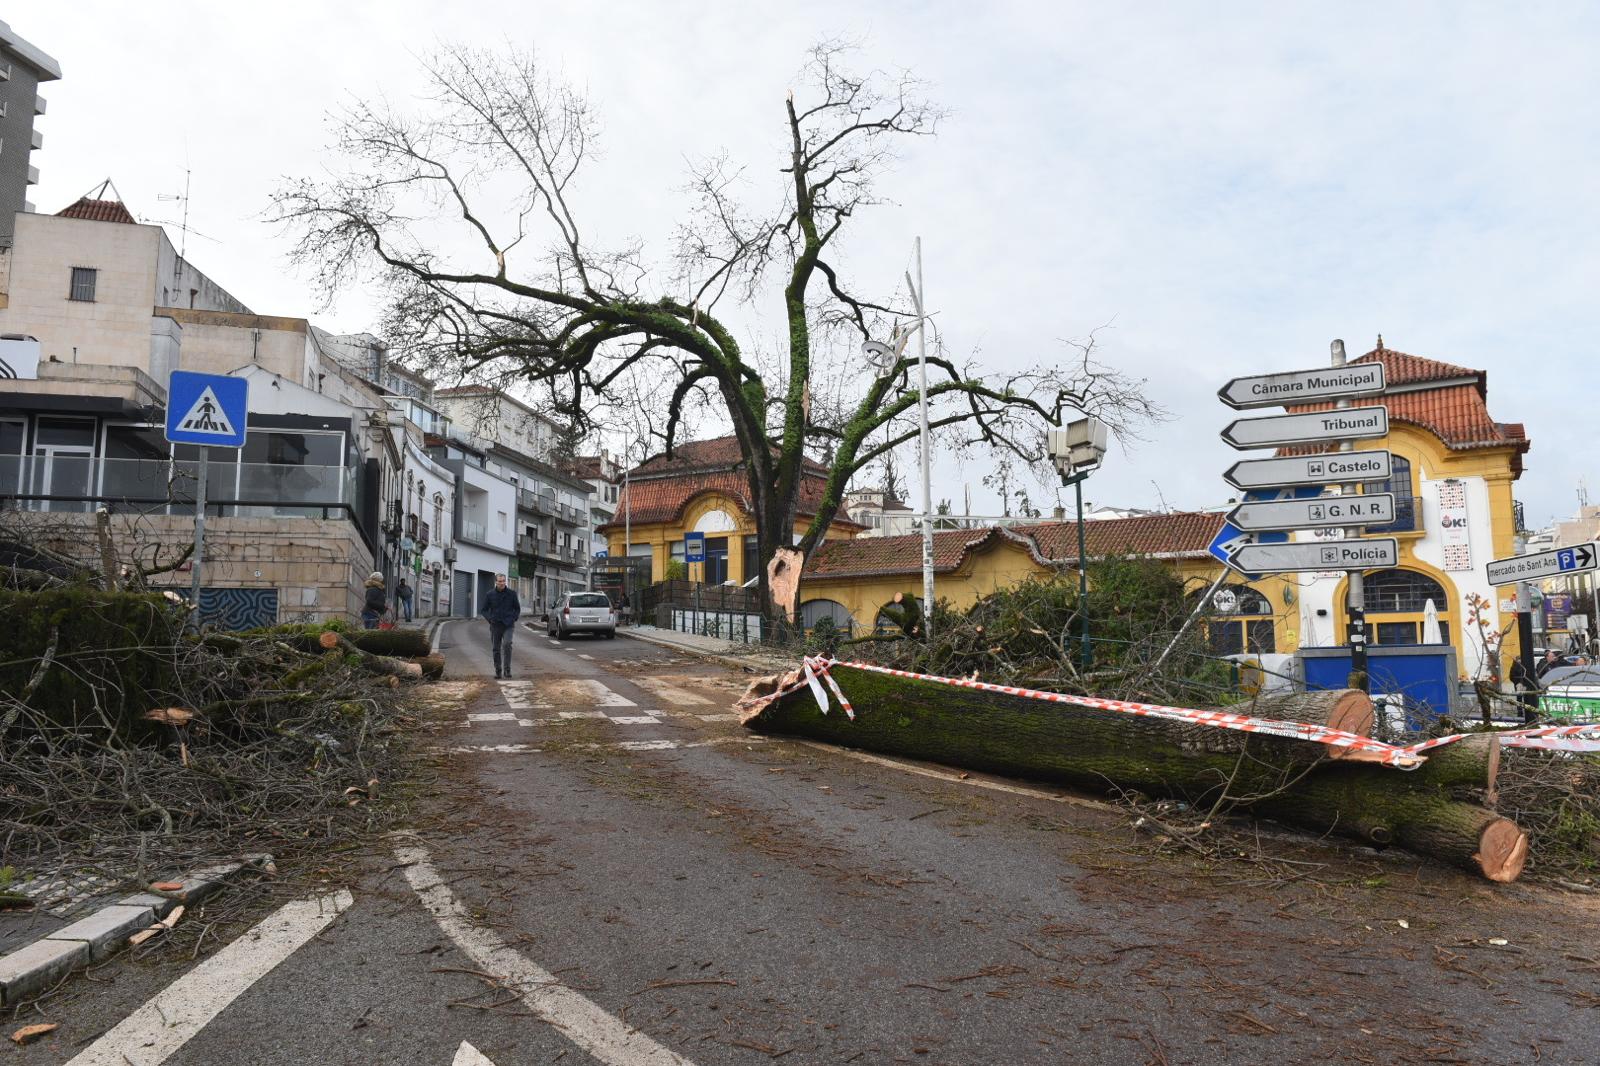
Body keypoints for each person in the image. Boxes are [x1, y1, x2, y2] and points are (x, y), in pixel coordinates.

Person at [481, 573, 522, 679]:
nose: (502, 583)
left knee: (507, 644)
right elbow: (484, 610)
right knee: (496, 648)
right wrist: (490, 619)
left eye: (503, 581)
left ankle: (507, 670)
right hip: (495, 625)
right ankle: (498, 670)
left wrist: (514, 618)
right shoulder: (490, 594)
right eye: (500, 581)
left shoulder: (512, 594)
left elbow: (517, 608)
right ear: (496, 582)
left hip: (508, 624)